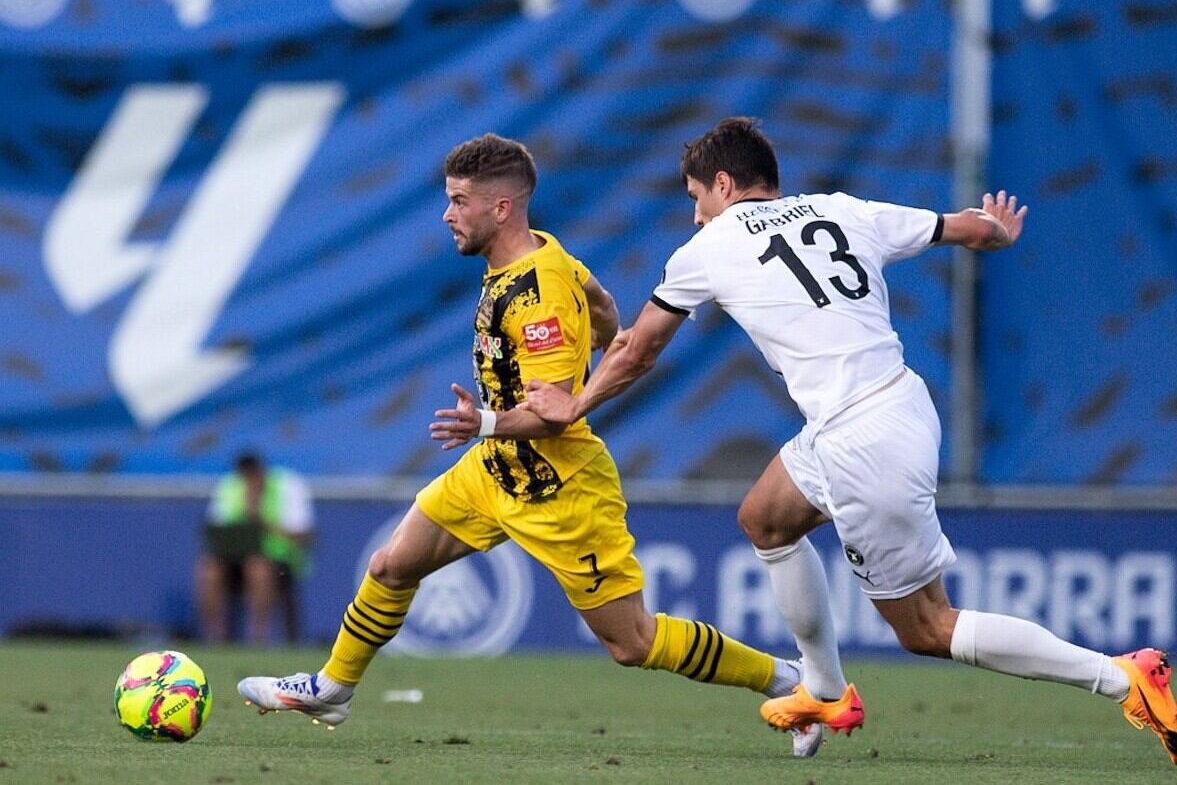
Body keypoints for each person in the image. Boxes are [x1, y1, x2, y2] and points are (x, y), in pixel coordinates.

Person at [522, 117, 1177, 766]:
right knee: (766, 517)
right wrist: (989, 230)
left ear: (723, 185)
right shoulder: (841, 209)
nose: (695, 216)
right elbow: (956, 226)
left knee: (927, 626)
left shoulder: (710, 244)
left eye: (696, 199)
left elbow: (636, 349)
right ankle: (822, 689)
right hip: (893, 401)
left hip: (860, 440)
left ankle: (1119, 677)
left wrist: (574, 403)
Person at [237, 132, 815, 752]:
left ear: (501, 208)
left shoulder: (535, 297)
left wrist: (483, 422)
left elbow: (554, 418)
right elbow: (601, 301)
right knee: (391, 565)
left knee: (633, 643)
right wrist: (605, 340)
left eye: (459, 201)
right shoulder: (542, 257)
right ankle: (333, 688)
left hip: (561, 487)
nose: (447, 214)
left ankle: (788, 680)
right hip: (494, 471)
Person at [196, 451, 314, 644]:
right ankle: (214, 638)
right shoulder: (230, 486)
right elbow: (216, 529)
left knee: (257, 568)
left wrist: (261, 521)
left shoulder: (288, 484)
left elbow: (304, 536)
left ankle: (257, 638)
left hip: (280, 561)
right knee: (209, 569)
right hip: (234, 559)